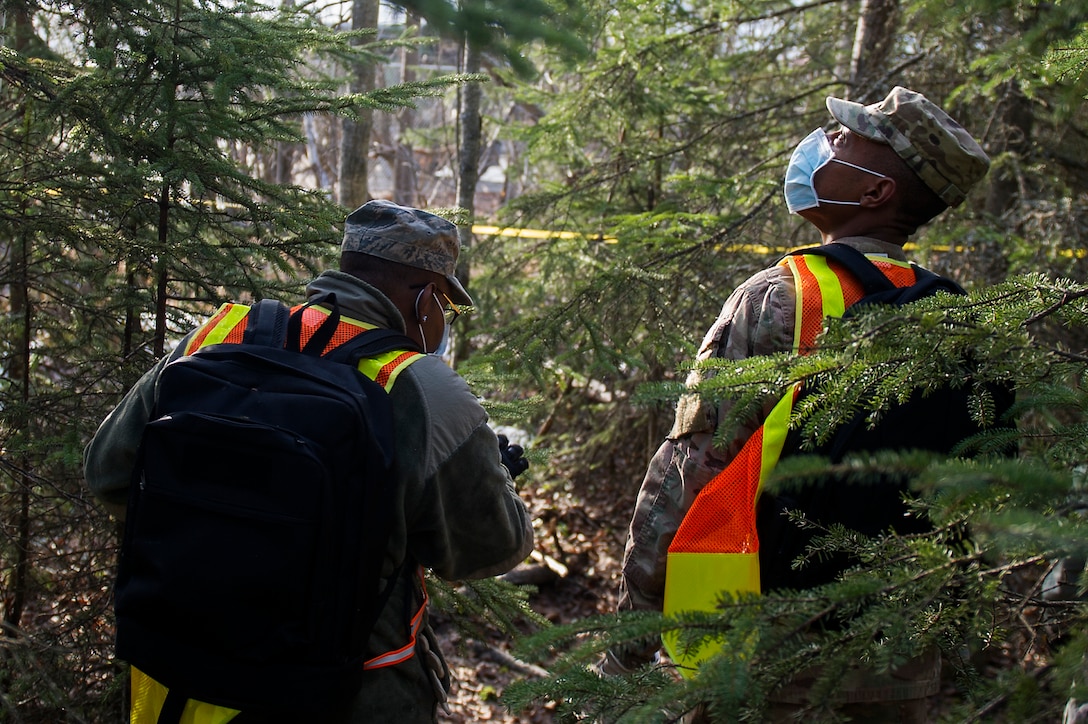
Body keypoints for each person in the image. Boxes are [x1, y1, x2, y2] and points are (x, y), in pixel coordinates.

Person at [602, 87, 993, 718]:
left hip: (769, 661)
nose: (820, 144)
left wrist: (629, 640)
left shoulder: (786, 297)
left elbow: (692, 467)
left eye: (843, 140)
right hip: (900, 663)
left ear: (875, 193)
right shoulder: (954, 314)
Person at [84, 199, 535, 723]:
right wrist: (493, 475)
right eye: (446, 308)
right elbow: (488, 549)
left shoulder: (216, 335)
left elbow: (109, 475)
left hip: (176, 684)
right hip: (344, 696)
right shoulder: (425, 390)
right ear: (425, 297)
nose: (443, 321)